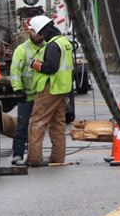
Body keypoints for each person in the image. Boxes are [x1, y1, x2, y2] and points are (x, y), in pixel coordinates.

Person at [25, 15, 74, 167]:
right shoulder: (64, 42)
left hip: (50, 88)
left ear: (40, 30)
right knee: (57, 124)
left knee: (36, 122)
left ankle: (33, 159)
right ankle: (58, 158)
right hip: (62, 88)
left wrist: (34, 64)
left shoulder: (52, 46)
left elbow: (50, 68)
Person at [8, 21, 44, 166]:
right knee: (22, 125)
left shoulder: (48, 47)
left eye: (40, 32)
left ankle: (36, 155)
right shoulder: (22, 50)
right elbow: (15, 70)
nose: (37, 35)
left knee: (39, 127)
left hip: (43, 95)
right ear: (29, 32)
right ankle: (18, 154)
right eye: (34, 32)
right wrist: (17, 89)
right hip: (27, 95)